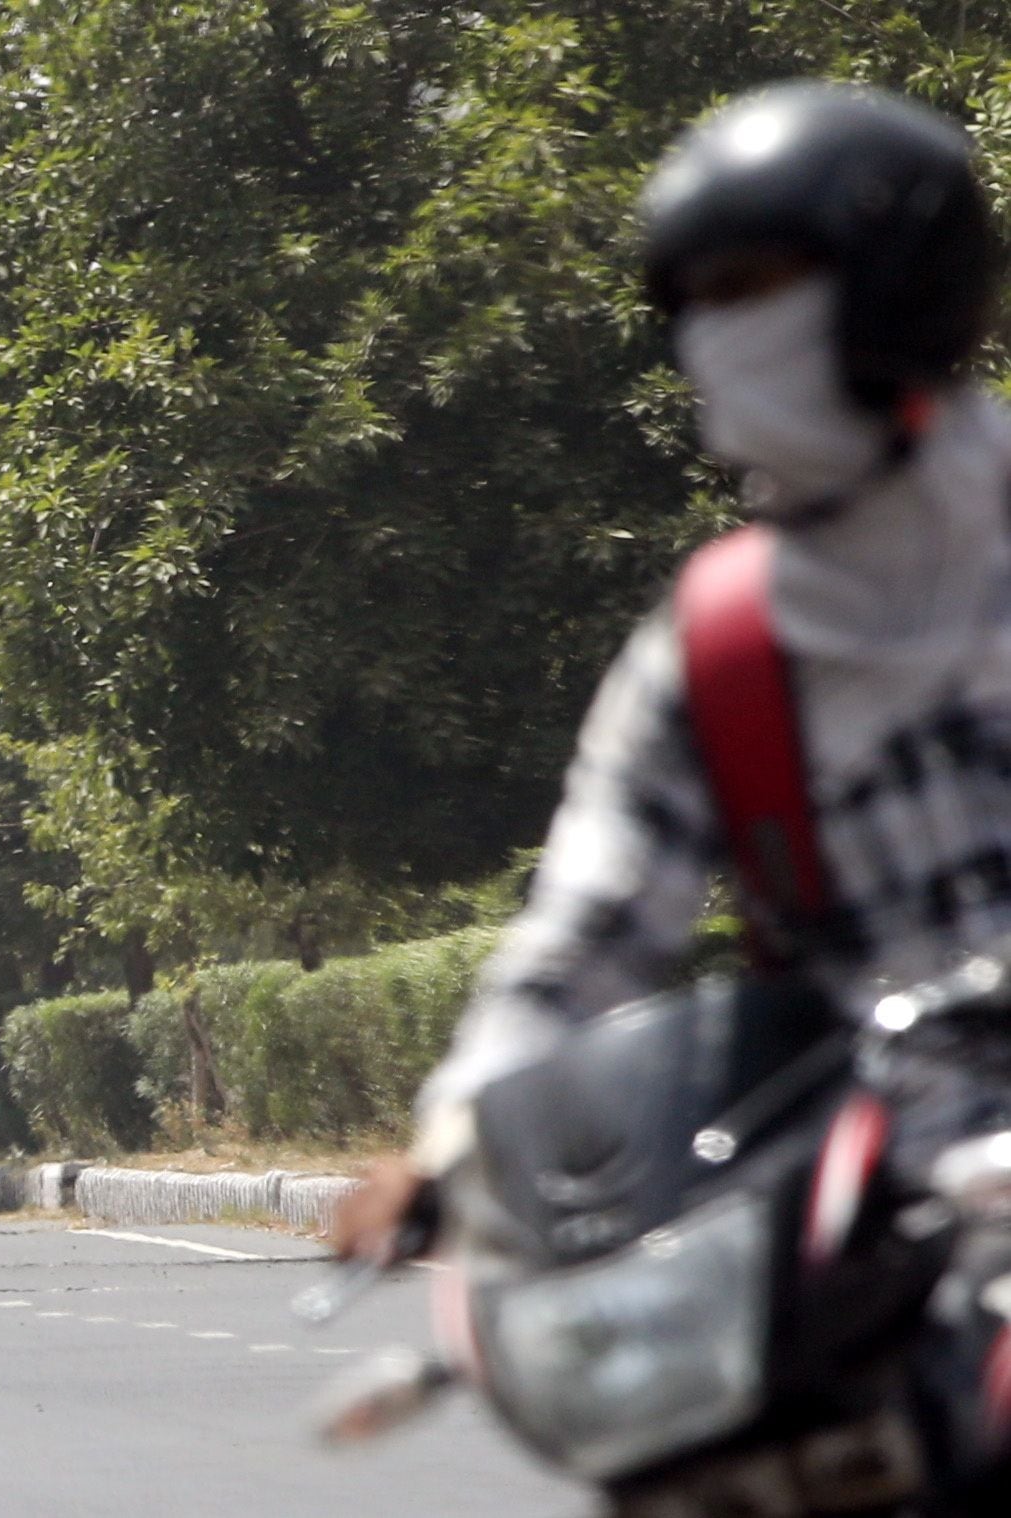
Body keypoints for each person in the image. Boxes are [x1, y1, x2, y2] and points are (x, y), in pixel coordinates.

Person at [336, 80, 1011, 1259]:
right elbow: (582, 941)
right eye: (691, 305)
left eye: (747, 290)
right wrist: (451, 1144)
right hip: (897, 1254)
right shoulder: (716, 650)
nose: (713, 339)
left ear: (893, 286)